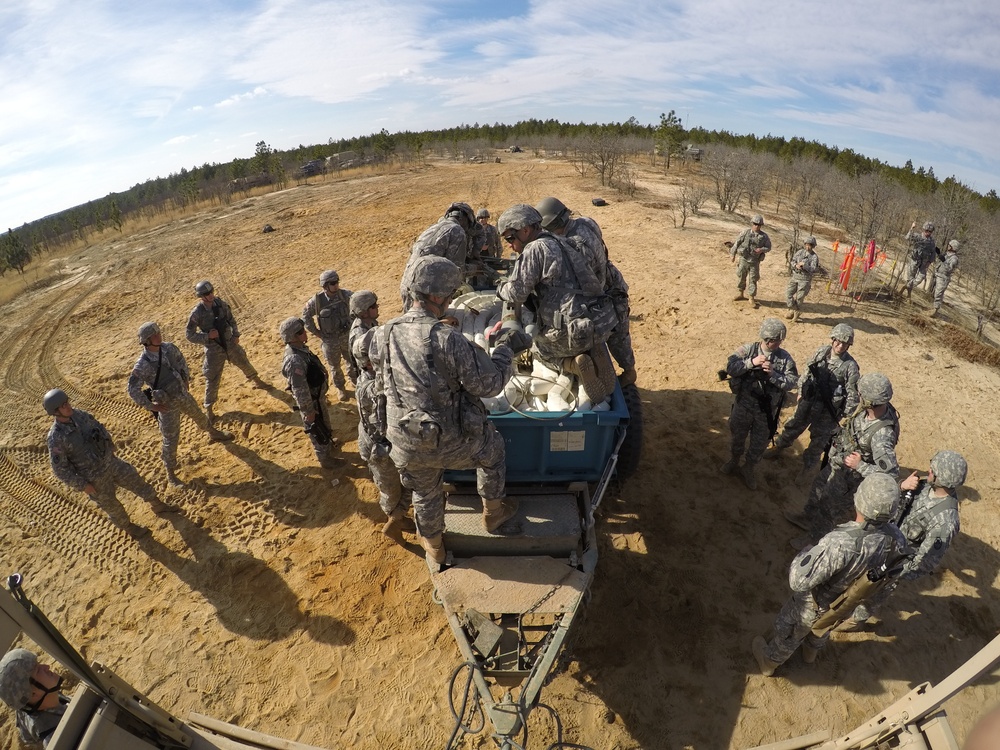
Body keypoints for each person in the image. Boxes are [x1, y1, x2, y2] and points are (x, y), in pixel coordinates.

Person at [371, 256, 529, 566]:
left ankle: (434, 549)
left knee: (425, 491)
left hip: (405, 441)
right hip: (451, 442)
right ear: (436, 296)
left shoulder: (383, 333)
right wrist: (505, 349)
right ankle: (493, 515)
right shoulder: (448, 339)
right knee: (493, 449)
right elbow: (490, 384)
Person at [751, 473, 907, 676]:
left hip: (814, 603)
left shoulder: (840, 542)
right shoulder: (898, 540)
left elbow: (798, 581)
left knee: (790, 631)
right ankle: (810, 652)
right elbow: (888, 585)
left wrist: (806, 552)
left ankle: (769, 661)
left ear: (859, 499)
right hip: (846, 605)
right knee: (824, 627)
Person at [496, 204, 618, 402]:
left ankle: (573, 365)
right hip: (595, 322)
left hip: (566, 333)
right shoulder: (564, 241)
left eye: (510, 238)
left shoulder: (535, 249)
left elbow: (516, 293)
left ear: (526, 230)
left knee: (538, 350)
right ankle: (595, 351)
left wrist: (500, 288)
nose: (509, 244)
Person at [839, 450, 967, 631]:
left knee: (875, 593)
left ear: (942, 479)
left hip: (895, 562)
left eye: (933, 470)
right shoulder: (923, 485)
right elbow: (894, 500)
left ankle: (856, 620)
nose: (929, 470)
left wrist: (892, 573)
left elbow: (925, 561)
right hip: (881, 540)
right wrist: (902, 486)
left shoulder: (946, 521)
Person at [786, 373, 900, 545]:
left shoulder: (882, 436)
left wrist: (860, 465)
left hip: (848, 479)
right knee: (818, 487)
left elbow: (890, 475)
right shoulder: (874, 409)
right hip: (838, 464)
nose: (858, 395)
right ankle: (807, 517)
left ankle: (813, 541)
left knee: (828, 510)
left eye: (861, 394)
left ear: (870, 400)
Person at [536, 196, 637, 386]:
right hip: (614, 286)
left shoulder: (566, 246)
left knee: (556, 338)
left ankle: (577, 364)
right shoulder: (588, 223)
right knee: (620, 335)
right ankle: (628, 369)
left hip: (594, 300)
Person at [44, 389, 162, 538]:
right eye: (62, 406)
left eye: (67, 402)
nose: (67, 406)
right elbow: (60, 469)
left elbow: (98, 427)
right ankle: (130, 528)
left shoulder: (79, 415)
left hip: (110, 462)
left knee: (135, 480)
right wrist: (83, 485)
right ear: (55, 412)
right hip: (94, 478)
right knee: (112, 506)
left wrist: (109, 444)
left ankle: (157, 505)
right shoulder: (56, 438)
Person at [127, 321, 232, 486]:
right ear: (146, 341)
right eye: (154, 335)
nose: (159, 336)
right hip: (166, 404)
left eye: (158, 332)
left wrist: (185, 378)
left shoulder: (168, 348)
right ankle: (170, 473)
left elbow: (181, 360)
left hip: (182, 394)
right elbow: (133, 389)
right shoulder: (142, 365)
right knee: (170, 438)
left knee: (199, 416)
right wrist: (151, 406)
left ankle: (213, 432)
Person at [349, 290, 415, 545]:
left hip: (372, 440)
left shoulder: (369, 377)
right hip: (380, 447)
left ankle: (396, 517)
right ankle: (394, 522)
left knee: (397, 484)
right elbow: (384, 417)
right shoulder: (374, 386)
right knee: (396, 487)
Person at [766, 324, 860, 474]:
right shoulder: (822, 352)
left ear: (849, 345)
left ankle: (807, 467)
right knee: (793, 425)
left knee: (818, 441)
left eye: (845, 343)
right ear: (833, 339)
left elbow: (853, 394)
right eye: (838, 341)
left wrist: (843, 414)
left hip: (828, 411)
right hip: (809, 401)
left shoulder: (850, 366)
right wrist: (801, 390)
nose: (840, 346)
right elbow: (807, 371)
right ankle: (779, 447)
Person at [721, 318, 798, 491]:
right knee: (737, 437)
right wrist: (751, 363)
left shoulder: (785, 359)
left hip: (766, 412)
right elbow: (731, 368)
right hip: (744, 406)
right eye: (773, 340)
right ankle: (734, 460)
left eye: (778, 340)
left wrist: (773, 375)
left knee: (759, 444)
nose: (775, 343)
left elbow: (793, 382)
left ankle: (749, 468)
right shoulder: (748, 350)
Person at [185, 280, 266, 423]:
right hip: (214, 349)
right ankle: (209, 409)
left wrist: (236, 334)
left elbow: (231, 319)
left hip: (229, 343)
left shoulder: (220, 304)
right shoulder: (197, 313)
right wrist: (207, 337)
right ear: (201, 296)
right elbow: (189, 335)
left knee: (243, 361)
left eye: (211, 292)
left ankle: (257, 381)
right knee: (212, 378)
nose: (210, 295)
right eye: (207, 294)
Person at [279, 317, 341, 471]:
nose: (304, 333)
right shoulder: (294, 360)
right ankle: (325, 459)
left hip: (317, 399)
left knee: (324, 425)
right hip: (310, 403)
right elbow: (300, 389)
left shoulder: (301, 349)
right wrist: (308, 411)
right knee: (317, 430)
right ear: (292, 338)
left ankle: (328, 445)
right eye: (300, 332)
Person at [399, 202, 482, 310]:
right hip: (427, 292)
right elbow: (457, 271)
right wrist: (476, 268)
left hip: (408, 286)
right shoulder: (457, 231)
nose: (467, 229)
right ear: (464, 218)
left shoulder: (433, 227)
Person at [302, 270, 356, 401]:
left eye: (337, 282)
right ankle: (340, 388)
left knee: (352, 361)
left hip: (346, 336)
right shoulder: (317, 301)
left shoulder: (346, 295)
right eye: (333, 283)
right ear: (325, 286)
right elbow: (306, 316)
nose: (336, 285)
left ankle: (355, 381)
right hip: (330, 340)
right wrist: (317, 333)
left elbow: (358, 303)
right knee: (335, 367)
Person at [0, 649, 69, 747]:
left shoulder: (39, 697)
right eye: (37, 671)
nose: (46, 667)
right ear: (31, 693)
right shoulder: (58, 738)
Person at [730, 214, 771, 309]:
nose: (757, 226)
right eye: (755, 224)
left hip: (754, 261)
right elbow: (737, 243)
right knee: (741, 276)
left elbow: (769, 247)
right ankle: (741, 293)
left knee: (753, 279)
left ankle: (751, 297)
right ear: (752, 224)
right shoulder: (745, 232)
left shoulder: (764, 236)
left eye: (759, 225)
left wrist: (761, 249)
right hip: (744, 259)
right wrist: (733, 254)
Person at [785, 236, 819, 321]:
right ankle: (793, 309)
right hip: (795, 276)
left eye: (810, 245)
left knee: (799, 298)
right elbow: (792, 261)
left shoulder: (814, 257)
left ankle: (796, 313)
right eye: (807, 244)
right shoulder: (800, 252)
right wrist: (795, 265)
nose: (808, 247)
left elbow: (814, 269)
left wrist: (805, 266)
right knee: (788, 294)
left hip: (805, 279)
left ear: (813, 246)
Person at [903, 221, 937, 300]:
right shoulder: (918, 237)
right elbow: (908, 237)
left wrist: (929, 262)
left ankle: (908, 286)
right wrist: (912, 228)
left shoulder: (931, 242)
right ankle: (908, 295)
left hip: (924, 263)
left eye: (930, 232)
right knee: (910, 277)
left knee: (921, 277)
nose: (927, 233)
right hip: (914, 261)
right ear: (923, 230)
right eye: (926, 231)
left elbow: (933, 253)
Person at [928, 240, 960, 318]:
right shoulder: (947, 255)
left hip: (944, 278)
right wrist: (939, 254)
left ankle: (935, 310)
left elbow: (949, 269)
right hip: (939, 275)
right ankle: (934, 309)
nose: (948, 246)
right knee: (936, 293)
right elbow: (941, 263)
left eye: (950, 245)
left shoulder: (954, 258)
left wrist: (943, 260)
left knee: (938, 294)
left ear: (953, 247)